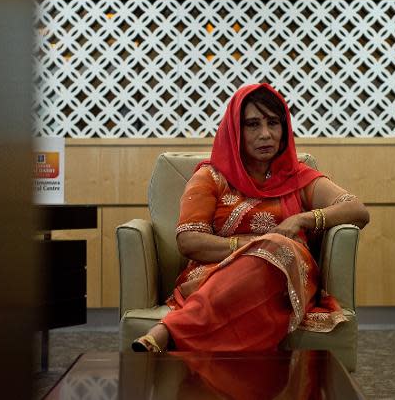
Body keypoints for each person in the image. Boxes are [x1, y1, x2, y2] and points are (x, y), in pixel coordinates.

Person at [132, 83, 370, 353]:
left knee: (281, 248)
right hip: (218, 272)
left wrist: (300, 220)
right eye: (253, 124)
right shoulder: (211, 177)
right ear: (236, 131)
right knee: (273, 247)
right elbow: (189, 241)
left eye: (273, 123)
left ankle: (169, 330)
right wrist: (257, 246)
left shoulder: (297, 178)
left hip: (285, 277)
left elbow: (357, 210)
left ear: (284, 128)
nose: (266, 134)